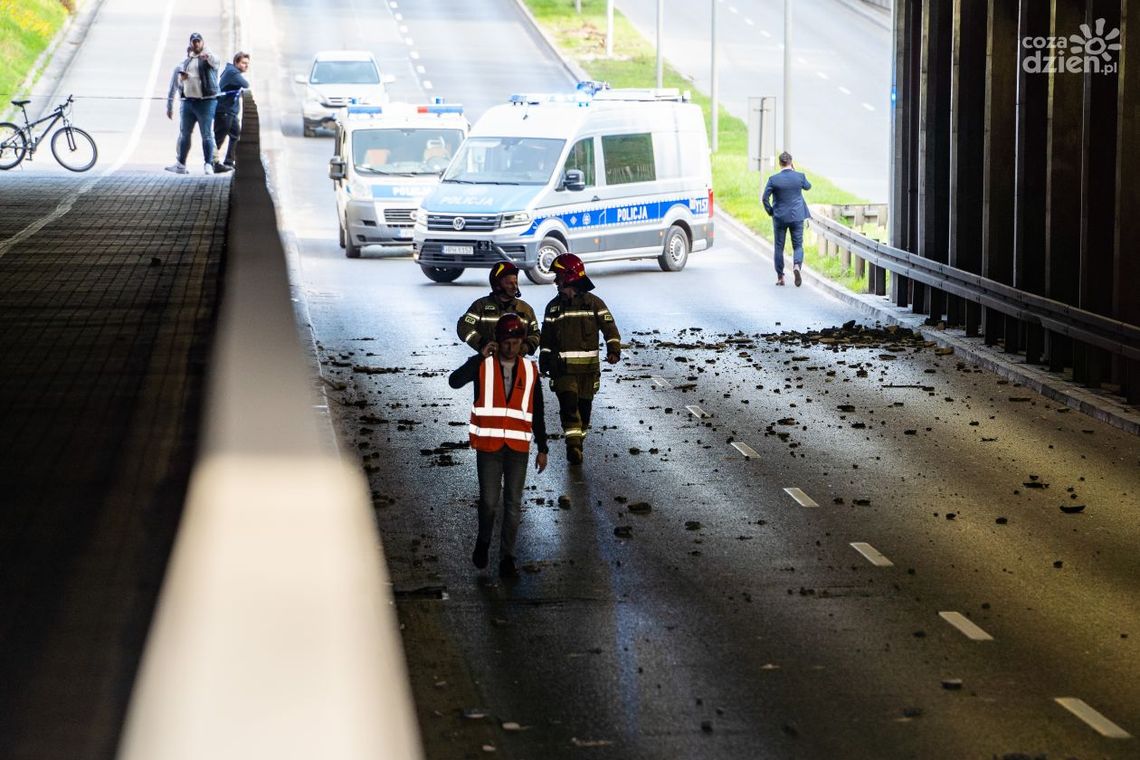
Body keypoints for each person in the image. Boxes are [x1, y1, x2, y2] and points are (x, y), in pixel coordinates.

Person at [449, 313, 549, 579]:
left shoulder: (530, 370)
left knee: (513, 504)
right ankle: (483, 542)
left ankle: (508, 557)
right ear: (498, 340)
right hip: (489, 446)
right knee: (490, 502)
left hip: (518, 447)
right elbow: (454, 381)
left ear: (522, 342)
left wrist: (543, 447)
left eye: (516, 342)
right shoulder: (483, 364)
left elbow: (537, 409)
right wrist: (481, 356)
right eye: (506, 341)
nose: (511, 347)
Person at [539, 253, 620, 466]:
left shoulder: (594, 304)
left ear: (569, 276)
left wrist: (614, 349)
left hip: (588, 371)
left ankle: (578, 441)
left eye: (558, 276)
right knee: (568, 405)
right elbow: (546, 336)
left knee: (584, 410)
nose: (556, 281)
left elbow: (609, 327)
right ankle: (572, 445)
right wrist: (544, 358)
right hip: (563, 371)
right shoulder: (553, 307)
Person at [456, 261, 541, 357]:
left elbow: (535, 334)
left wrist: (526, 346)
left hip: (516, 363)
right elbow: (464, 327)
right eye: (509, 283)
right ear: (497, 285)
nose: (514, 287)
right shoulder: (480, 306)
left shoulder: (526, 309)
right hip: (488, 362)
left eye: (516, 282)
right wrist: (483, 344)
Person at [164, 32, 221, 176]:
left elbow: (215, 62)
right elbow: (174, 85)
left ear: (202, 43)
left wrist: (207, 55)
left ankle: (208, 164)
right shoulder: (184, 63)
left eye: (198, 41)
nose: (196, 44)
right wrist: (170, 105)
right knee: (184, 134)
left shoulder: (208, 59)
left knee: (207, 134)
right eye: (193, 42)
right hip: (188, 102)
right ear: (189, 45)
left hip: (205, 102)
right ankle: (181, 164)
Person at [761, 151, 812, 287]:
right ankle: (796, 266)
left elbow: (764, 198)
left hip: (779, 218)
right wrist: (795, 172)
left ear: (779, 164)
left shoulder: (773, 179)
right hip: (797, 217)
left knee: (779, 247)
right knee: (798, 245)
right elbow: (808, 186)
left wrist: (771, 211)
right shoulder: (800, 177)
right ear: (791, 162)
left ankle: (780, 277)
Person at [211, 51, 250, 173]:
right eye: (243, 63)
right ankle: (212, 162)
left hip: (230, 111)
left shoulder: (232, 71)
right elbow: (245, 84)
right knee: (219, 137)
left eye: (247, 63)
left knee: (235, 134)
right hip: (223, 111)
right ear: (236, 62)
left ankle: (229, 160)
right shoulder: (232, 72)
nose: (246, 66)